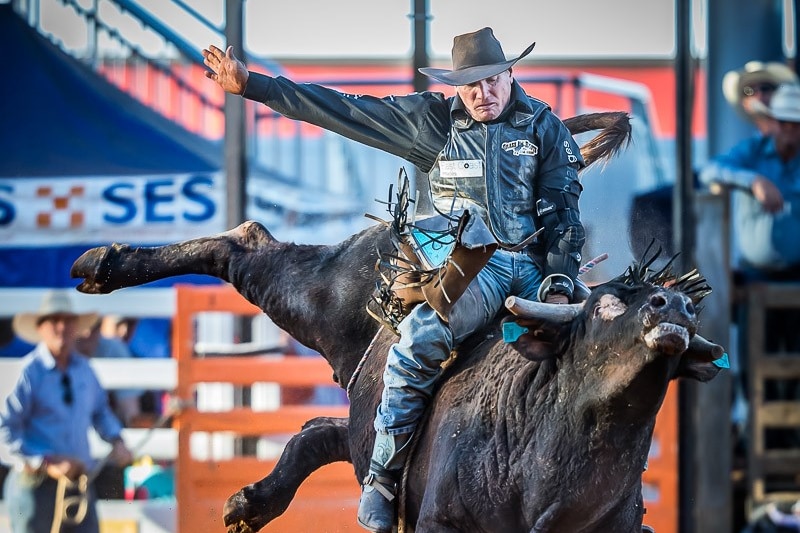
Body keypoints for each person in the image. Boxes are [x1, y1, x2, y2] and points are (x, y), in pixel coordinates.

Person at [203, 27, 586, 533]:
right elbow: (344, 109)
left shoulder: (543, 126)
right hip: (478, 268)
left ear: (510, 74)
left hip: (537, 268)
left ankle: (609, 494)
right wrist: (255, 86)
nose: (483, 93)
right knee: (417, 341)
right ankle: (383, 477)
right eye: (470, 85)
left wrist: (559, 282)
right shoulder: (431, 122)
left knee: (604, 343)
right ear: (456, 87)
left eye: (492, 80)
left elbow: (563, 213)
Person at [0, 290, 133, 533]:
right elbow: (4, 430)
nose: (62, 327)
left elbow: (100, 412)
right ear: (41, 328)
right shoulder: (29, 373)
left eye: (68, 320)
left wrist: (116, 439)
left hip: (76, 482)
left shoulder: (84, 370)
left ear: (76, 327)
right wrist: (44, 462)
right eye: (54, 320)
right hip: (34, 485)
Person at [76, 316, 143, 426]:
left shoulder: (114, 349)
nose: (87, 333)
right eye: (83, 325)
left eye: (94, 326)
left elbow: (130, 412)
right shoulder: (47, 361)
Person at [722, 60, 799, 135]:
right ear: (744, 102)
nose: (759, 95)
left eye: (765, 88)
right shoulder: (746, 147)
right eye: (749, 91)